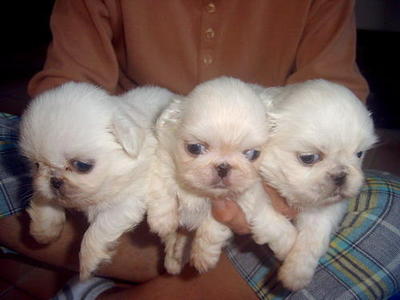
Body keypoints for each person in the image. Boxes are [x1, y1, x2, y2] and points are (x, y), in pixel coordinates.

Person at [0, 0, 399, 299]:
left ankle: (107, 283)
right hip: (129, 153)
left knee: (391, 213)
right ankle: (200, 280)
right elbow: (63, 93)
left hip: (267, 159)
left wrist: (279, 185)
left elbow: (335, 97)